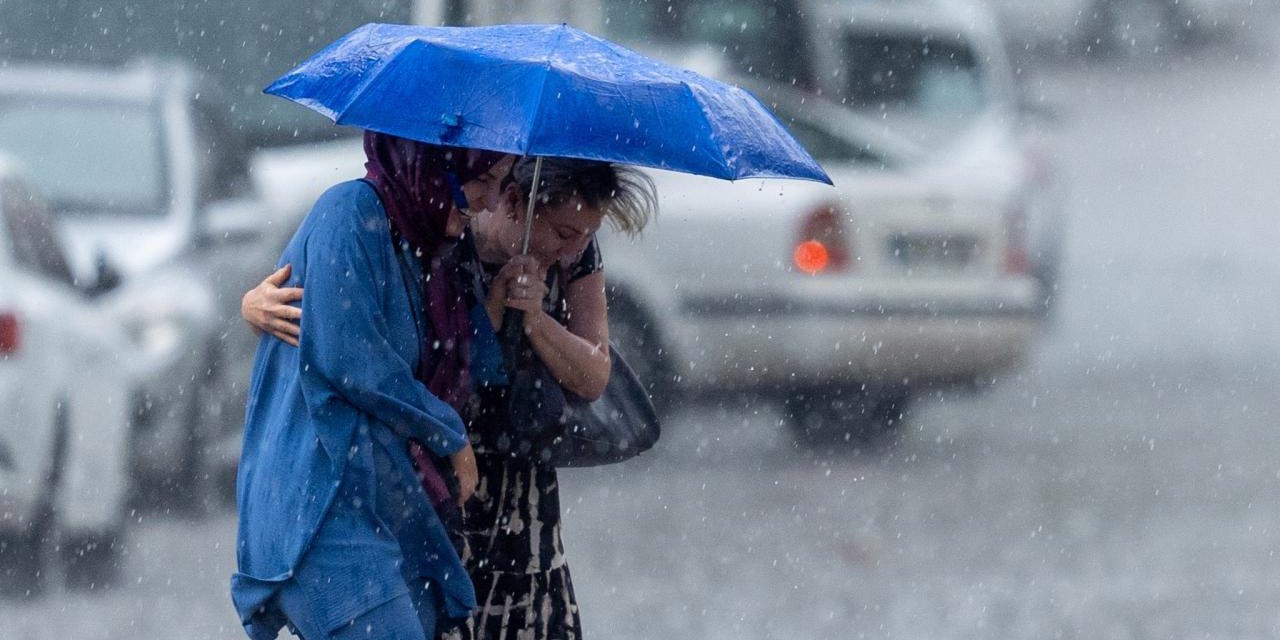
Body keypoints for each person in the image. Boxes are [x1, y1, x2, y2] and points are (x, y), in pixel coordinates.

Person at [241, 155, 657, 640]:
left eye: (588, 234)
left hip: (513, 475)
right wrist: (254, 308)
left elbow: (593, 374)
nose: (575, 249)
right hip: (433, 469)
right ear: (517, 202)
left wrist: (534, 319)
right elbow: (356, 335)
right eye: (564, 233)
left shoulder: (572, 254)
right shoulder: (437, 227)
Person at [231, 130, 513, 640]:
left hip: (389, 508)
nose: (491, 201)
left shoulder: (428, 246)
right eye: (484, 179)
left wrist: (514, 302)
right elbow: (352, 359)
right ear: (432, 162)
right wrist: (448, 433)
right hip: (321, 511)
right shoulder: (349, 213)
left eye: (503, 183)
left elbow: (457, 362)